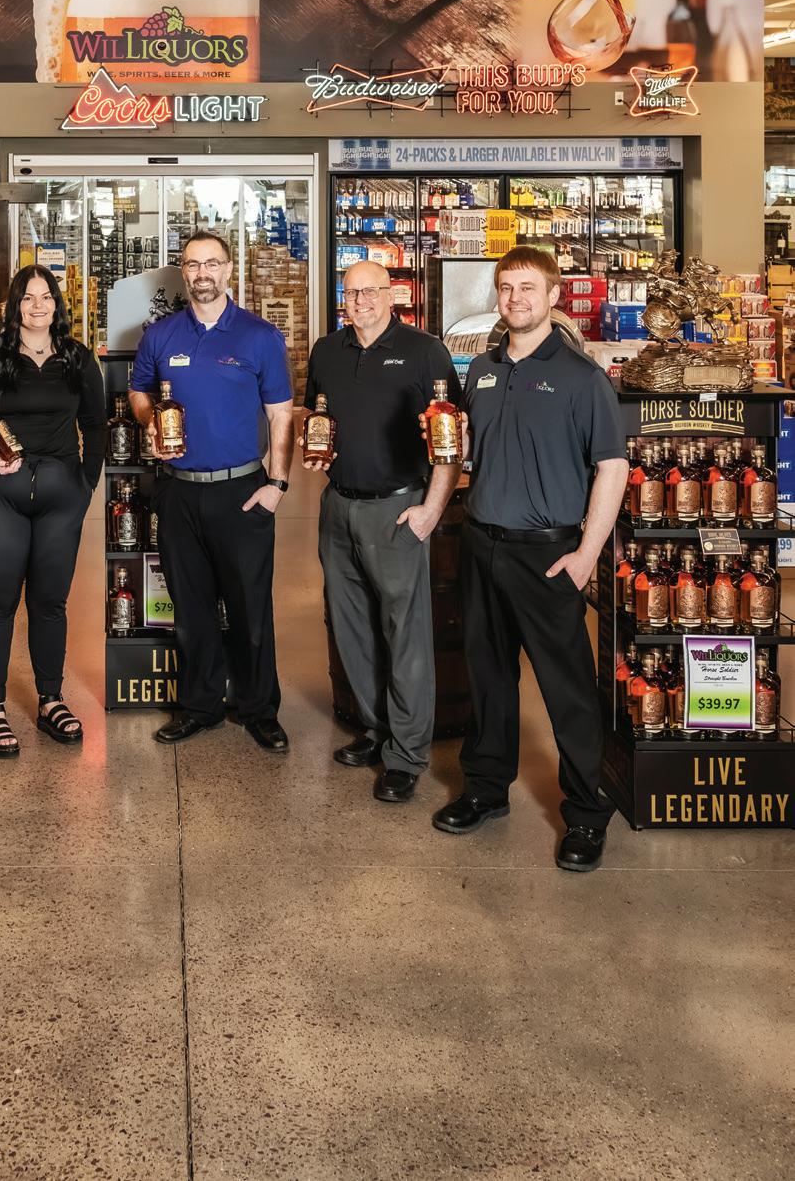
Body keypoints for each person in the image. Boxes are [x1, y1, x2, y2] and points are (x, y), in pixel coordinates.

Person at [431, 247, 628, 872]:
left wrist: (586, 555)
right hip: (482, 543)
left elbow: (613, 468)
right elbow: (471, 450)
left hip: (548, 554)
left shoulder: (581, 377)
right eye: (506, 288)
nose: (515, 299)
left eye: (527, 288)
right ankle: (486, 790)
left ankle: (587, 815)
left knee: (567, 689)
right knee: (488, 677)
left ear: (553, 297)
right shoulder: (482, 370)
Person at [129, 232, 294, 752]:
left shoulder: (260, 336)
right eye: (193, 264)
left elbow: (281, 414)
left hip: (242, 490)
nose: (203, 273)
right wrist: (150, 422)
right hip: (179, 492)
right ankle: (200, 706)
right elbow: (139, 391)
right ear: (183, 272)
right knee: (191, 607)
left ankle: (259, 709)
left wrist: (277, 484)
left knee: (250, 609)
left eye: (212, 263)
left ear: (228, 270)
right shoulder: (160, 336)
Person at [303, 261, 462, 803]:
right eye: (351, 292)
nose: (361, 301)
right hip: (338, 507)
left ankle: (407, 754)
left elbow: (451, 439)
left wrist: (430, 511)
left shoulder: (424, 352)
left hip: (397, 510)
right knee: (352, 628)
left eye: (371, 291)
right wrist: (315, 449)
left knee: (405, 634)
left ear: (392, 295)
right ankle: (376, 729)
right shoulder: (327, 351)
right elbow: (317, 416)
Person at [0, 265, 104, 758]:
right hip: (0, 494)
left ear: (57, 304)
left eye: (46, 297)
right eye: (28, 298)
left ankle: (50, 699)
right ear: (14, 305)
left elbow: (96, 425)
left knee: (50, 601)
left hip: (62, 497)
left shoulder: (78, 359)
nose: (38, 306)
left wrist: (85, 485)